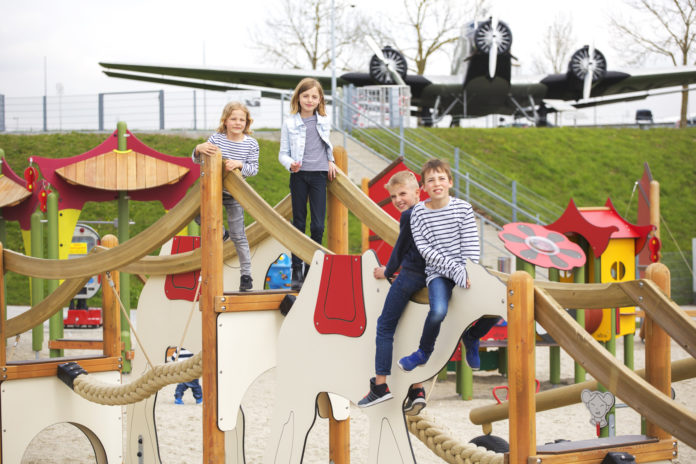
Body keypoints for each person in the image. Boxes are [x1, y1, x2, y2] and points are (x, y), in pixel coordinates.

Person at [398, 158, 496, 372]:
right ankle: (423, 352)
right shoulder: (419, 214)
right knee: (438, 311)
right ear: (423, 187)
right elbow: (426, 252)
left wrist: (468, 272)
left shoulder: (463, 209)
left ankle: (472, 336)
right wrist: (455, 272)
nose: (437, 183)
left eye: (441, 178)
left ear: (450, 182)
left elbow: (471, 244)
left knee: (498, 304)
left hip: (467, 269)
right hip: (438, 273)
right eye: (431, 180)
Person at [358, 171, 428, 415]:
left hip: (409, 276)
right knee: (410, 329)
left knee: (385, 327)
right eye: (393, 196)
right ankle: (418, 388)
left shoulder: (409, 215)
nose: (398, 200)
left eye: (403, 194)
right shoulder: (429, 212)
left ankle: (380, 385)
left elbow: (399, 251)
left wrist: (388, 271)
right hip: (428, 278)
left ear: (417, 192)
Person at [278, 78, 338, 290]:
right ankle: (296, 269)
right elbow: (282, 154)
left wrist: (331, 161)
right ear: (298, 98)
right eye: (306, 96)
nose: (310, 100)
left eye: (314, 96)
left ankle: (313, 266)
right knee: (299, 223)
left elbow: (327, 146)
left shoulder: (323, 120)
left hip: (319, 176)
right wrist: (290, 164)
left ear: (320, 99)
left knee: (318, 225)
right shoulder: (290, 123)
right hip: (299, 175)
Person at [193, 101, 259, 292]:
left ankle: (246, 275)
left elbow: (253, 169)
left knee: (239, 235)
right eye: (234, 119)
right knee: (196, 214)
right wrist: (198, 148)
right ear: (226, 121)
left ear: (247, 123)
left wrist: (239, 164)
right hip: (213, 191)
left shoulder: (251, 144)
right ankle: (222, 234)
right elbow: (200, 159)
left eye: (242, 119)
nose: (238, 123)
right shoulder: (217, 139)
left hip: (234, 193)